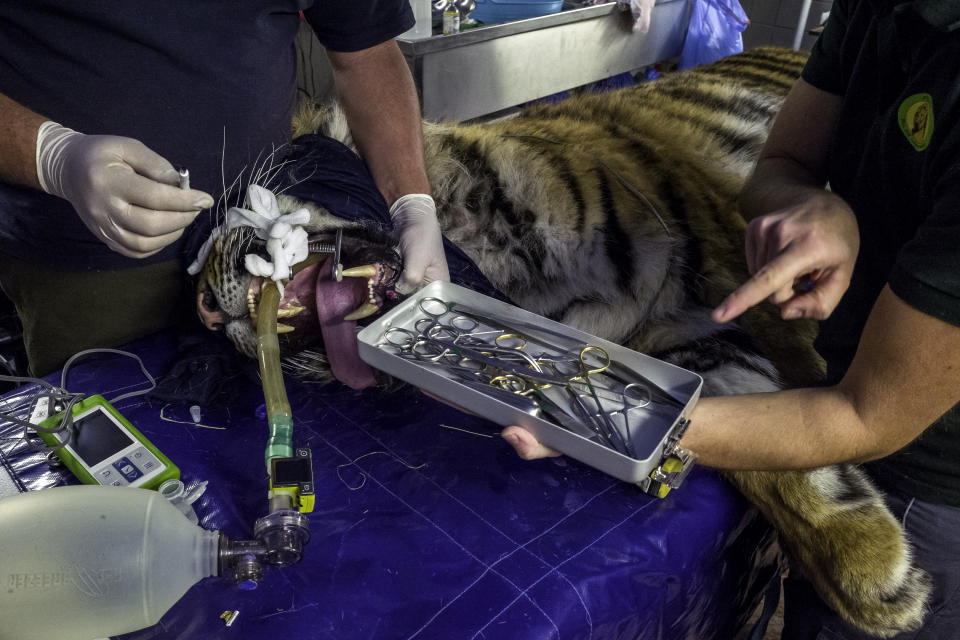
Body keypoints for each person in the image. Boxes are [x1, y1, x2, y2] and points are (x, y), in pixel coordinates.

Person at [502, 0, 960, 637]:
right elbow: (779, 166)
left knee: (859, 598)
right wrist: (821, 210)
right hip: (839, 368)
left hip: (932, 467)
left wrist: (612, 420)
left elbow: (868, 416)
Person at [0, 2, 448, 377]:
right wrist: (53, 156)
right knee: (119, 452)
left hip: (274, 234)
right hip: (95, 261)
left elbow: (366, 52)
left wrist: (411, 202)